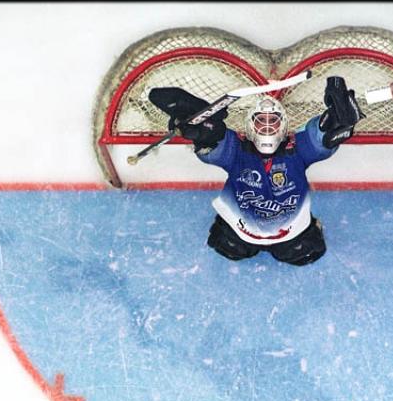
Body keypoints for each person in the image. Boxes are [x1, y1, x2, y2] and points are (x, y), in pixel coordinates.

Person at [149, 77, 364, 266]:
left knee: (306, 251)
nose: (267, 127)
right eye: (261, 121)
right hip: (240, 230)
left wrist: (332, 123)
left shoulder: (296, 149)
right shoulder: (236, 149)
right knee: (226, 246)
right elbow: (216, 145)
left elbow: (317, 140)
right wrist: (204, 134)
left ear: (283, 125)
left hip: (292, 232)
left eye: (273, 121)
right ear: (250, 125)